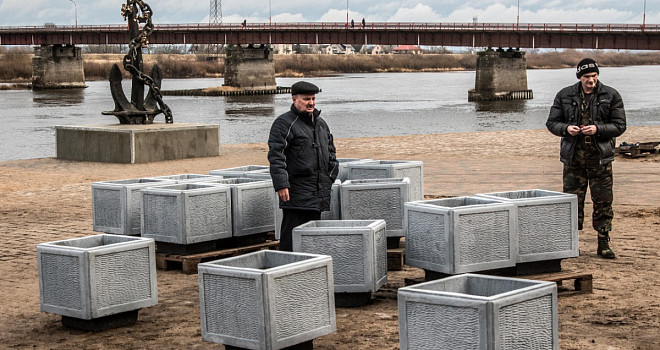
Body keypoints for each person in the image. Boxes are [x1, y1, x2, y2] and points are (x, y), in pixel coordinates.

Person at [546, 58, 626, 259]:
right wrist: (566, 129)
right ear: (580, 77)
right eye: (586, 76)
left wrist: (598, 129)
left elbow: (620, 126)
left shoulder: (611, 95)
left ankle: (603, 242)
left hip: (600, 159)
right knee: (572, 203)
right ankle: (572, 244)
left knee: (603, 202)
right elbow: (552, 123)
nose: (591, 80)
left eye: (593, 76)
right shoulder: (564, 95)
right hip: (573, 160)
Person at [268, 81, 339, 251]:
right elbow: (276, 155)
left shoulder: (321, 124)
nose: (311, 103)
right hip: (295, 191)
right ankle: (285, 267)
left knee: (312, 237)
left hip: (318, 190)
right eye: (307, 99)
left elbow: (331, 152)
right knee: (291, 236)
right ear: (294, 99)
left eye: (313, 99)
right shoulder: (284, 123)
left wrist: (331, 176)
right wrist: (281, 184)